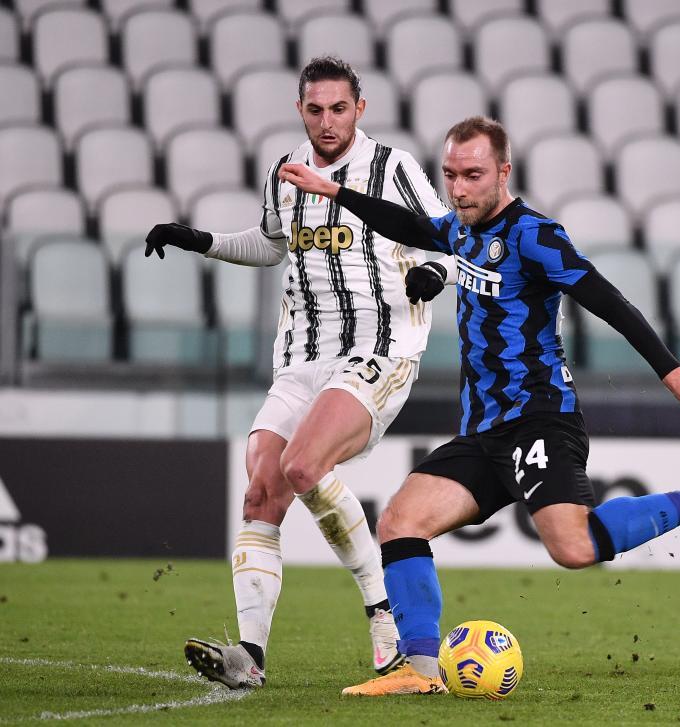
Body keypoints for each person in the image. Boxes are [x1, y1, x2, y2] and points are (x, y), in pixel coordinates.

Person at [277, 115, 680, 696]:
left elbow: (608, 299)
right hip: (483, 430)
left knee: (573, 548)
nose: (459, 188)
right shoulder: (459, 229)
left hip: (540, 416)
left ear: (504, 172)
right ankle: (420, 670)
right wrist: (338, 192)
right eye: (450, 175)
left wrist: (673, 374)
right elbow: (412, 226)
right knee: (400, 521)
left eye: (473, 175)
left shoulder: (535, 235)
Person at [144, 56, 456, 689]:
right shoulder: (285, 174)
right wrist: (199, 239)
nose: (327, 121)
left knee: (304, 466)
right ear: (301, 111)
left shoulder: (392, 168)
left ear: (359, 109)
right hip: (301, 358)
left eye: (339, 108)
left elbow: (448, 235)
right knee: (262, 488)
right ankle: (249, 660)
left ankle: (381, 607)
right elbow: (270, 243)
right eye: (315, 109)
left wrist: (435, 275)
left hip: (381, 347)